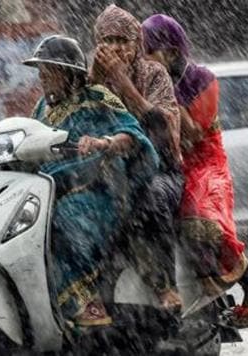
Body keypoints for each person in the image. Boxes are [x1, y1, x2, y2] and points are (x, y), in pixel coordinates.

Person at [141, 14, 248, 328]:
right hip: (168, 162)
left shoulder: (201, 79)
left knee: (200, 213)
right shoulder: (145, 78)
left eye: (149, 51)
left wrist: (164, 90)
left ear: (171, 52)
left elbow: (193, 134)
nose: (144, 59)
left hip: (206, 162)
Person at [22, 35, 159, 329]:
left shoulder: (98, 97)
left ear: (69, 74)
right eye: (41, 71)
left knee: (60, 221)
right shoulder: (40, 109)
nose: (43, 78)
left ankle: (86, 300)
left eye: (49, 71)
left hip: (99, 191)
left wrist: (103, 142)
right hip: (50, 189)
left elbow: (132, 135)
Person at [89, 4, 184, 311]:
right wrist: (95, 81)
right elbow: (76, 119)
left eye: (123, 40)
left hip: (161, 170)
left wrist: (122, 81)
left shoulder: (154, 74)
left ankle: (165, 286)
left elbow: (161, 130)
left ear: (136, 43)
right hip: (107, 170)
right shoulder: (92, 79)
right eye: (108, 40)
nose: (116, 47)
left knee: (150, 198)